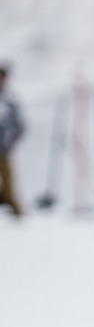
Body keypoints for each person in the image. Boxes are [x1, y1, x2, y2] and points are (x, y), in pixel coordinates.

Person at [0, 63, 24, 219]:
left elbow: (19, 126)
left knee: (8, 184)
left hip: (3, 150)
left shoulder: (10, 101)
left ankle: (18, 215)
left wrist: (11, 143)